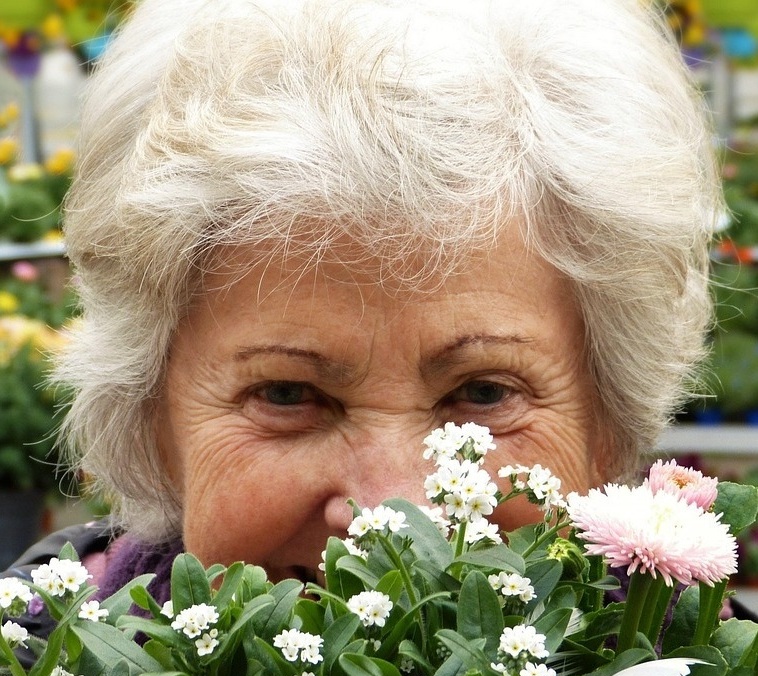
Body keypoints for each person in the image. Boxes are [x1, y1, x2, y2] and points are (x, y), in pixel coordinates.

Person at [3, 0, 720, 610]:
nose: (390, 515)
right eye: (289, 394)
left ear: (607, 427)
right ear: (152, 420)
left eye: (482, 392)